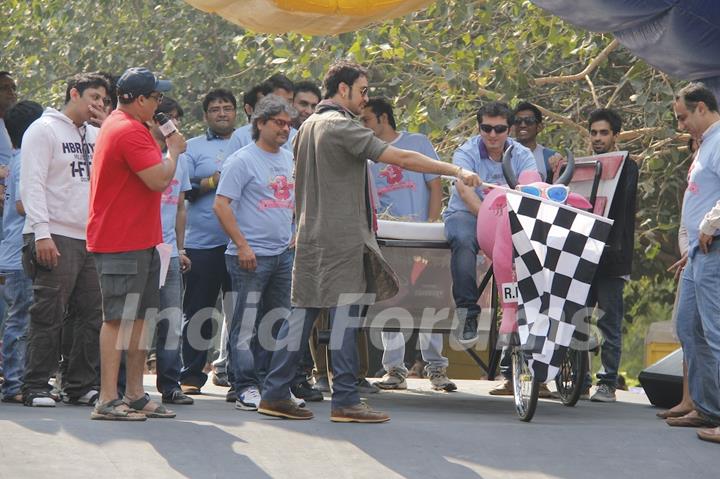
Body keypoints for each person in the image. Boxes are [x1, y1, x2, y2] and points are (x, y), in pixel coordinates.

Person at [256, 60, 480, 423]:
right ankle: (345, 399)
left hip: (311, 235)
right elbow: (402, 157)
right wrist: (455, 171)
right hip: (341, 237)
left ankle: (275, 392)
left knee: (302, 315)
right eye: (362, 90)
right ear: (342, 90)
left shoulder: (307, 127)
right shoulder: (340, 126)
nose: (366, 98)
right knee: (345, 317)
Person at [87, 67, 184, 421]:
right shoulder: (128, 130)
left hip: (140, 239)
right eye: (157, 97)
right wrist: (173, 151)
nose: (161, 104)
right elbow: (159, 179)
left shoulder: (127, 126)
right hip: (120, 241)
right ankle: (109, 398)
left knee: (142, 316)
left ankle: (135, 393)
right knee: (118, 318)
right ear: (140, 100)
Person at [19, 73, 109, 407]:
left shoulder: (99, 135)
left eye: (103, 99)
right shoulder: (43, 130)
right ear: (74, 93)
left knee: (89, 315)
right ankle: (36, 385)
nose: (98, 104)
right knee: (48, 313)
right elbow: (32, 184)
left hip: (91, 238)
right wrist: (41, 233)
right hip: (53, 234)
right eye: (94, 97)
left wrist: (109, 125)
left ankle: (79, 384)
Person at [360, 97, 455, 392]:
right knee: (391, 300)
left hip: (423, 239)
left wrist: (430, 225)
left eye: (366, 120)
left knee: (430, 300)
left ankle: (436, 368)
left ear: (383, 118)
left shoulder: (417, 142)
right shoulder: (367, 153)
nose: (361, 125)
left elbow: (435, 185)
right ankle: (394, 370)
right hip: (388, 239)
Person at [214, 95, 297, 411]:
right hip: (248, 256)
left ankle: (272, 388)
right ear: (260, 123)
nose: (284, 130)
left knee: (278, 322)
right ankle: (244, 386)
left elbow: (294, 200)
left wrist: (296, 233)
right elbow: (220, 206)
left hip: (281, 254)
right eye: (278, 123)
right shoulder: (242, 160)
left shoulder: (288, 158)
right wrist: (243, 245)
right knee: (246, 324)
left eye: (288, 124)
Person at [443, 101, 537, 342]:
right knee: (463, 241)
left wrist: (503, 226)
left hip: (510, 218)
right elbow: (465, 193)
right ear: (478, 128)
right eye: (486, 128)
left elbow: (532, 192)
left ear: (510, 129)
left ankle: (529, 310)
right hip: (467, 214)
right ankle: (467, 313)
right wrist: (489, 223)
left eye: (500, 129)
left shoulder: (523, 155)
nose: (493, 134)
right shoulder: (466, 152)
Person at [666, 82, 720, 444]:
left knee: (715, 333)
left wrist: (710, 224)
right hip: (699, 253)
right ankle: (706, 405)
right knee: (688, 327)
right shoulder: (706, 145)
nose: (682, 125)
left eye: (684, 117)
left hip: (714, 248)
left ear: (701, 107)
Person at [179, 89, 237, 396]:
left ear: (237, 112)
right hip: (202, 243)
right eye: (215, 109)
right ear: (206, 115)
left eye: (227, 108)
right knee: (198, 310)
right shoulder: (192, 147)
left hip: (241, 242)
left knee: (241, 311)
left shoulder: (248, 144)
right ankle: (191, 375)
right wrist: (215, 180)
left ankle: (238, 378)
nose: (222, 113)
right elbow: (183, 190)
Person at [582, 108, 638, 403]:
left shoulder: (628, 167)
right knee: (578, 318)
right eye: (594, 132)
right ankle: (578, 380)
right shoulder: (582, 167)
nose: (598, 138)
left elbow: (619, 207)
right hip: (583, 256)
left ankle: (607, 383)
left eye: (604, 133)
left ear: (616, 136)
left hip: (613, 259)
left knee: (608, 323)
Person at [147, 97, 193, 405]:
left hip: (169, 250)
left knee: (172, 319)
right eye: (163, 119)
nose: (169, 125)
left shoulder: (182, 158)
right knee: (134, 318)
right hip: (138, 247)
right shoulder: (141, 151)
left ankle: (171, 383)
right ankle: (123, 385)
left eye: (174, 119)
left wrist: (181, 247)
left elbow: (178, 206)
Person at [0, 100, 43, 403]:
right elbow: (21, 204)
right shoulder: (24, 161)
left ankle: (17, 379)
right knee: (20, 320)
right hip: (17, 254)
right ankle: (13, 384)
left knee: (20, 318)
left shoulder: (18, 158)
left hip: (14, 251)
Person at [512, 101, 563, 182]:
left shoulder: (550, 157)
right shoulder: (503, 152)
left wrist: (559, 164)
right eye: (518, 121)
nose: (523, 125)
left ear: (539, 127)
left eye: (529, 121)